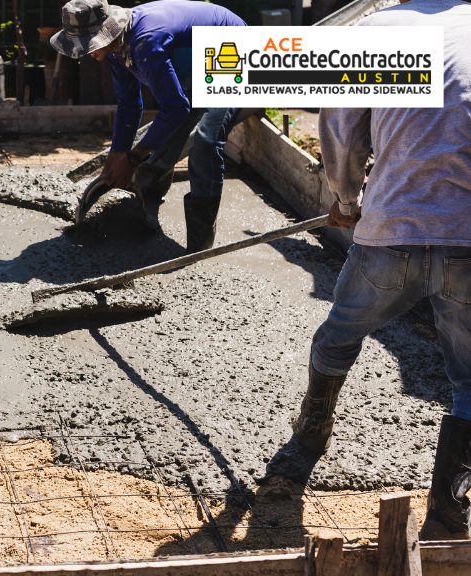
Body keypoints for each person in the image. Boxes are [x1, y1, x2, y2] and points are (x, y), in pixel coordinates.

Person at [286, 0, 471, 538]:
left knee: (339, 335)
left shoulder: (381, 28)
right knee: (468, 380)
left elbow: (341, 131)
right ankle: (448, 514)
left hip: (391, 232)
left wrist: (344, 197)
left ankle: (311, 434)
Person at [50, 0, 245, 252]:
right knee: (160, 142)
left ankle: (200, 245)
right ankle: (144, 224)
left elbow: (175, 108)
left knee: (206, 143)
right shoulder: (115, 49)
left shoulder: (146, 42)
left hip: (233, 55)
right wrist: (116, 154)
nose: (89, 53)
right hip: (196, 66)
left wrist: (132, 157)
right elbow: (129, 104)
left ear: (108, 31)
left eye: (89, 45)